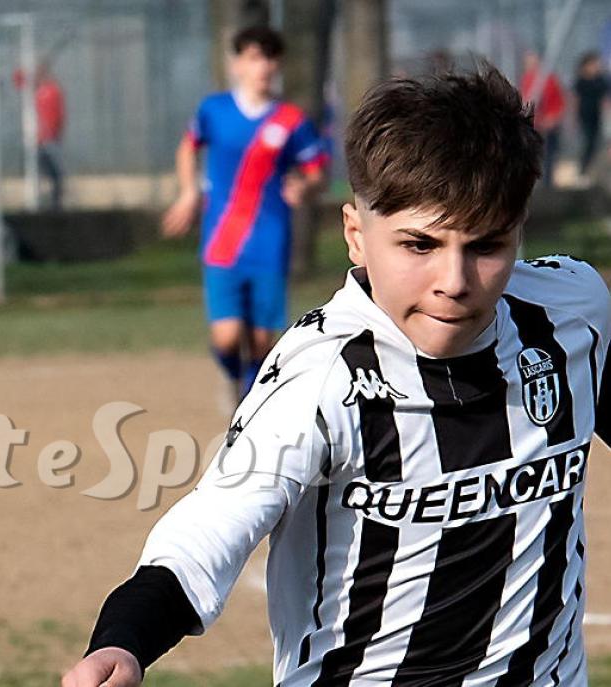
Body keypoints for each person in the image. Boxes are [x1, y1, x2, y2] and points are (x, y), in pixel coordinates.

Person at [64, 65, 609, 686]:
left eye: (486, 246)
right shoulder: (321, 375)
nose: (454, 283)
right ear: (356, 233)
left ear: (520, 232)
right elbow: (208, 532)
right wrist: (124, 642)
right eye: (419, 245)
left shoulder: (571, 312)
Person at [162, 26, 326, 410]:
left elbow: (318, 172)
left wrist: (305, 188)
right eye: (253, 57)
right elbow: (188, 148)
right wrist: (188, 193)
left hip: (270, 239)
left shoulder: (291, 121)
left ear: (278, 64)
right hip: (222, 240)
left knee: (262, 341)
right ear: (236, 63)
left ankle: (247, 409)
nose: (262, 67)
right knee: (226, 336)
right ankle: (231, 377)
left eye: (269, 58)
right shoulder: (213, 110)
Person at [15, 62, 67, 209]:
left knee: (54, 170)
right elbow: (18, 80)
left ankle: (56, 201)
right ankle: (35, 200)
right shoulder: (35, 91)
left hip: (49, 139)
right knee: (36, 168)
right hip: (37, 140)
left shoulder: (52, 91)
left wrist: (51, 133)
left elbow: (57, 116)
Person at [521, 51, 565, 188]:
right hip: (534, 127)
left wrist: (552, 119)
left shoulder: (549, 80)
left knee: (549, 157)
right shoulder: (526, 80)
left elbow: (560, 103)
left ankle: (548, 186)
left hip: (549, 126)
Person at [574, 51, 608, 179]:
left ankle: (592, 172)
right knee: (587, 144)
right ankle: (582, 171)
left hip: (598, 117)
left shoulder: (601, 80)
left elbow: (605, 99)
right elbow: (575, 100)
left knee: (596, 144)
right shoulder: (581, 81)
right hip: (585, 117)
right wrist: (574, 119)